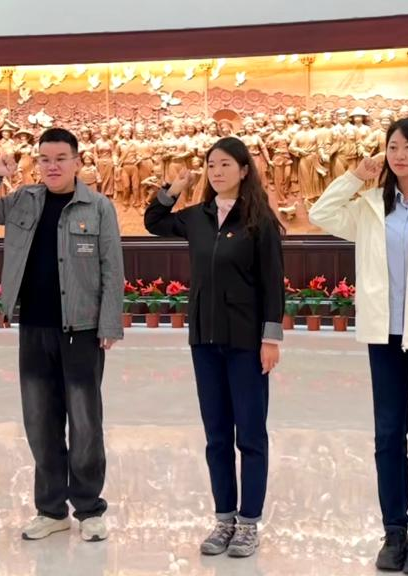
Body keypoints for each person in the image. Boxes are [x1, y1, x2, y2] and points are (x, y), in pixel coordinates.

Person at [309, 117, 408, 575]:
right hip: (385, 337)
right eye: (392, 147)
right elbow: (321, 213)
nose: (399, 155)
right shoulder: (370, 206)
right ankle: (394, 531)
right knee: (388, 437)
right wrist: (355, 176)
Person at [0, 128, 124, 543]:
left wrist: (109, 323)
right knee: (40, 422)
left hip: (81, 330)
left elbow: (112, 265)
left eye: (60, 158)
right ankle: (51, 510)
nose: (52, 166)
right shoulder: (23, 200)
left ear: (77, 162)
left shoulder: (98, 207)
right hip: (34, 328)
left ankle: (89, 509)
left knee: (85, 423)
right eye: (45, 159)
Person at [144, 137, 285, 559]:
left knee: (251, 435)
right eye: (211, 165)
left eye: (225, 164)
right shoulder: (198, 217)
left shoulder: (258, 221)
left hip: (246, 343)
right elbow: (154, 221)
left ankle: (248, 523)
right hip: (204, 340)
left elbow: (272, 282)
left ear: (243, 170)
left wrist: (271, 338)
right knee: (217, 435)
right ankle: (224, 519)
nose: (217, 171)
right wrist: (174, 188)